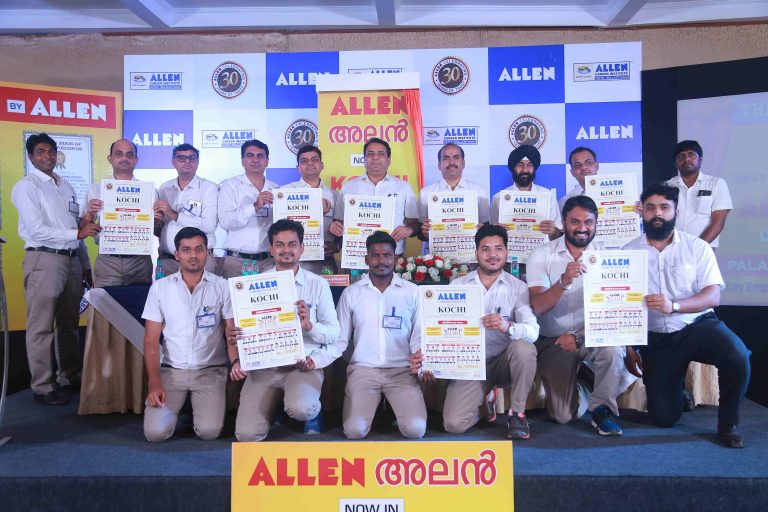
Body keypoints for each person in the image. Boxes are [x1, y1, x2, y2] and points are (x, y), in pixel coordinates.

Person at [623, 184, 750, 448]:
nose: (657, 213)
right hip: (657, 337)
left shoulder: (697, 247)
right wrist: (629, 345)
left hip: (697, 325)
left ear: (676, 213)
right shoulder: (627, 252)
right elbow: (620, 304)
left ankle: (728, 424)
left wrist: (674, 306)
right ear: (642, 212)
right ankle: (678, 392)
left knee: (738, 356)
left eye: (664, 207)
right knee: (664, 418)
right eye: (650, 208)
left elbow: (712, 296)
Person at [412, 224, 539, 439]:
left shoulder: (518, 287)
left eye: (498, 248)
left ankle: (517, 414)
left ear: (506, 252)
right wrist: (428, 360)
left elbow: (533, 331)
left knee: (524, 348)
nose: (492, 255)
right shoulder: (458, 285)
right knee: (454, 424)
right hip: (469, 366)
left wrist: (508, 327)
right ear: (476, 253)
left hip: (504, 363)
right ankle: (485, 405)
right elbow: (438, 328)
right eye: (485, 249)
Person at [228, 219, 341, 441]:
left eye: (292, 244)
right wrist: (238, 337)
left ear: (302, 247)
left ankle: (311, 412)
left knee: (302, 408)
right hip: (264, 368)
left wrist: (309, 326)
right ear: (271, 249)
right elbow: (245, 331)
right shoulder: (253, 286)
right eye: (279, 244)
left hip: (302, 367)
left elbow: (334, 333)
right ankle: (274, 408)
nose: (286, 250)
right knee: (246, 435)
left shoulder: (318, 284)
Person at [11, 133, 101, 405]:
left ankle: (68, 376)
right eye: (40, 151)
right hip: (44, 259)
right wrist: (77, 233)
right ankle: (42, 386)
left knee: (69, 323)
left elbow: (76, 226)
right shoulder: (26, 187)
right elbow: (37, 230)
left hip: (72, 260)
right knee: (41, 326)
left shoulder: (66, 186)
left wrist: (85, 266)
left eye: (51, 151)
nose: (47, 156)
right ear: (31, 157)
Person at [527, 195, 627, 436]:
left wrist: (578, 336)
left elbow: (616, 310)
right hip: (554, 341)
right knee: (563, 416)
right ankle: (584, 384)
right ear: (564, 222)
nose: (582, 228)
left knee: (614, 349)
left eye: (588, 222)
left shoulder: (608, 256)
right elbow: (538, 306)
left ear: (596, 224)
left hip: (592, 335)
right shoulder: (541, 254)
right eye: (575, 222)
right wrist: (563, 281)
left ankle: (602, 410)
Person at [142, 227, 233, 442]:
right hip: (171, 371)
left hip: (210, 371)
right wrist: (154, 382)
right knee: (155, 434)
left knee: (209, 432)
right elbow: (151, 340)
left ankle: (197, 410)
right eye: (186, 250)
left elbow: (231, 332)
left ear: (207, 253)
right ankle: (182, 410)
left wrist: (236, 362)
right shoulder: (160, 288)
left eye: (199, 249)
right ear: (177, 254)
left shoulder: (223, 287)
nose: (193, 255)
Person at [336, 231, 426, 439]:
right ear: (366, 259)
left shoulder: (413, 292)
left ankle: (390, 408)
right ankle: (373, 407)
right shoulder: (352, 293)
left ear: (396, 259)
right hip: (363, 371)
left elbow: (420, 333)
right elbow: (341, 339)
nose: (381, 260)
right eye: (375, 255)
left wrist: (419, 358)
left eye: (387, 255)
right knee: (354, 431)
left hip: (402, 371)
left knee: (415, 430)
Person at [82, 139, 160, 287]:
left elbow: (157, 230)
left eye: (129, 154)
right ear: (110, 158)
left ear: (136, 159)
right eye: (119, 154)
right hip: (108, 261)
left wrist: (156, 222)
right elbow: (82, 228)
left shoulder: (149, 191)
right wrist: (89, 215)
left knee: (140, 301)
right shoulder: (95, 189)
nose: (124, 158)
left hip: (140, 261)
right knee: (105, 301)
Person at [330, 138, 419, 259]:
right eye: (370, 153)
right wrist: (335, 226)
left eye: (381, 154)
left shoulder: (404, 188)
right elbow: (339, 221)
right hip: (357, 256)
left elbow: (415, 224)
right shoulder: (348, 187)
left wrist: (409, 230)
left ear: (388, 160)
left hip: (392, 257)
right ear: (364, 159)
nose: (375, 157)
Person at [218, 139, 278, 277]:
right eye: (250, 155)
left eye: (260, 156)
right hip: (237, 261)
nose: (255, 160)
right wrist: (255, 206)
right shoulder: (231, 186)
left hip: (268, 262)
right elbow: (225, 222)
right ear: (243, 161)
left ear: (267, 161)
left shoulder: (276, 189)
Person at [155, 143, 218, 275]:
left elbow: (210, 225)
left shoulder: (209, 188)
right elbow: (162, 226)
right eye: (181, 158)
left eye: (192, 158)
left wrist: (174, 214)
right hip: (167, 260)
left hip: (199, 261)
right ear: (173, 162)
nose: (187, 161)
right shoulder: (164, 187)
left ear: (198, 162)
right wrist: (156, 222)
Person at [417, 143, 490, 251]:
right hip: (437, 257)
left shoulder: (478, 191)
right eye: (446, 158)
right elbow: (419, 230)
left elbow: (487, 226)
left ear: (463, 163)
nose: (451, 162)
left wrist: (483, 230)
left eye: (456, 157)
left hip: (470, 254)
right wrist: (424, 232)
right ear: (439, 164)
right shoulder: (425, 193)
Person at [279, 146, 339, 274]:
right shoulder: (284, 192)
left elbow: (342, 227)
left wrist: (336, 246)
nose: (310, 163)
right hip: (294, 261)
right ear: (298, 167)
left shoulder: (335, 195)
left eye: (314, 159)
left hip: (325, 260)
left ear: (322, 165)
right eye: (304, 161)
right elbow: (277, 227)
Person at [665, 140, 732, 249]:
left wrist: (696, 249)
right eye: (681, 156)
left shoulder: (716, 184)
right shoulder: (666, 186)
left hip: (703, 250)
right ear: (676, 164)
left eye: (691, 155)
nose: (686, 159)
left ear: (700, 160)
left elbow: (718, 223)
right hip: (672, 249)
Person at [491, 144, 562, 240]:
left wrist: (553, 231)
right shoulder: (498, 198)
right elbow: (493, 236)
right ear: (513, 168)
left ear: (534, 168)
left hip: (542, 249)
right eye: (520, 165)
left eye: (529, 165)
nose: (525, 170)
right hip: (510, 249)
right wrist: (496, 230)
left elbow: (558, 235)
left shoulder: (548, 196)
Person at [558, 146, 599, 212]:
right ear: (572, 172)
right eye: (578, 165)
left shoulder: (614, 194)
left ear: (596, 166)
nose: (584, 167)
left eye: (588, 163)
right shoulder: (565, 202)